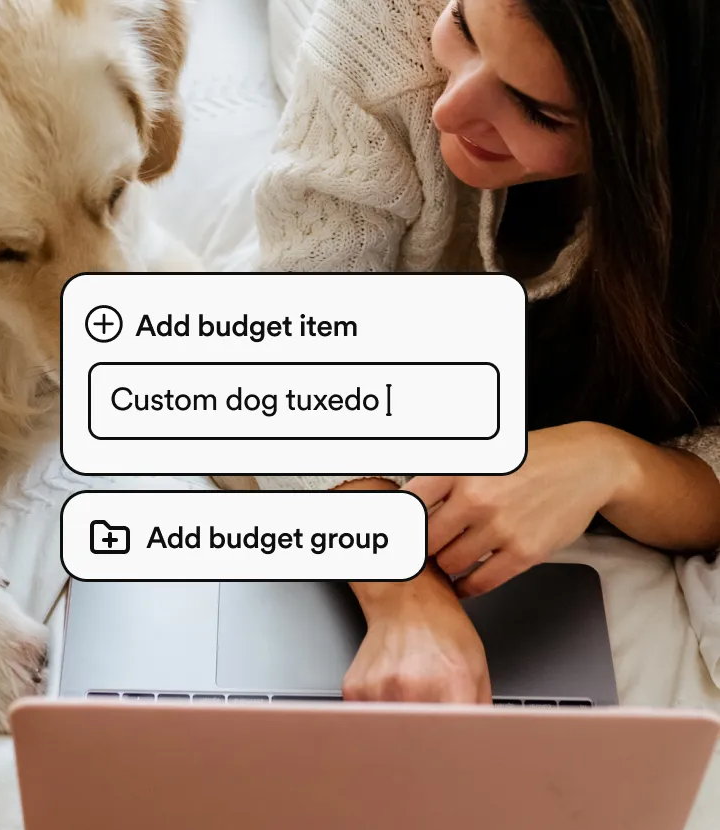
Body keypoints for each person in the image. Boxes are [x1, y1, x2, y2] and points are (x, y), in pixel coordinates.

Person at [234, 0, 720, 704]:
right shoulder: (382, 33)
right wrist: (404, 593)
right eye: (465, 26)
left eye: (540, 111)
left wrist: (613, 463)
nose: (450, 111)